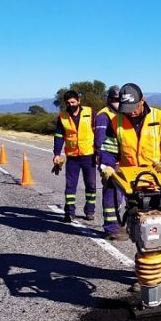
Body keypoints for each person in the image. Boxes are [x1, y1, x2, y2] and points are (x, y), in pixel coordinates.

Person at [105, 83, 161, 286]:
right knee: (141, 229)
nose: (131, 113)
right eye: (126, 110)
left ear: (142, 100)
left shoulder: (160, 118)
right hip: (133, 186)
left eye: (134, 108)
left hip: (160, 183)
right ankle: (148, 273)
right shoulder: (116, 121)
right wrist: (107, 166)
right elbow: (109, 150)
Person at [53, 90, 96, 223]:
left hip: (89, 156)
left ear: (79, 101)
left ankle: (90, 211)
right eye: (68, 103)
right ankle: (69, 212)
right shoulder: (63, 116)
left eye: (73, 102)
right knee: (70, 186)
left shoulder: (90, 113)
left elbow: (98, 132)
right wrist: (57, 154)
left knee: (91, 185)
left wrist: (100, 152)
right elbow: (59, 136)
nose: (71, 105)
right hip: (72, 157)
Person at [93, 86, 128, 240]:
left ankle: (118, 223)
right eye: (114, 100)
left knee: (121, 195)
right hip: (110, 162)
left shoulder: (122, 114)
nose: (117, 103)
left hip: (124, 162)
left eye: (119, 100)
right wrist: (104, 163)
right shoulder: (103, 116)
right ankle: (111, 228)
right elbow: (100, 141)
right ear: (109, 99)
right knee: (112, 192)